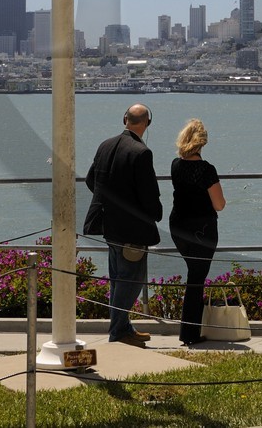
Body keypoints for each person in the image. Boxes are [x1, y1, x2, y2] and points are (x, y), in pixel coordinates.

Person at [83, 103, 163, 346]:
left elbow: (91, 180)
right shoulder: (141, 152)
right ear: (147, 123)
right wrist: (155, 214)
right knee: (131, 282)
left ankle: (124, 327)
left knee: (118, 281)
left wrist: (112, 203)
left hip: (110, 226)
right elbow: (149, 194)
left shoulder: (105, 145)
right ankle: (118, 332)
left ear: (124, 119)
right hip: (133, 231)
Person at [169, 118, 227, 346]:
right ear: (202, 143)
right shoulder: (206, 169)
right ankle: (189, 333)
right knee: (196, 278)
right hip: (202, 230)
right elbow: (219, 204)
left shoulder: (175, 165)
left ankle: (191, 329)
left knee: (195, 274)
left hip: (178, 227)